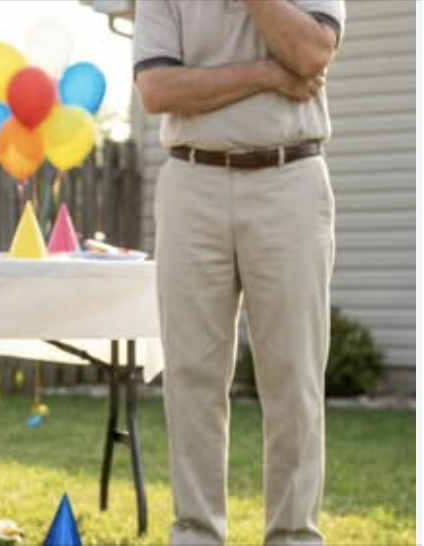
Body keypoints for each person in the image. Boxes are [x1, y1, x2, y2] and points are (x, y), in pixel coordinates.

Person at [133, 1, 344, 543]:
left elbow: (313, 52)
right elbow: (157, 89)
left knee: (293, 376)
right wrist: (267, 74)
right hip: (191, 180)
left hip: (290, 175)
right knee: (191, 376)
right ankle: (197, 534)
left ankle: (293, 535)